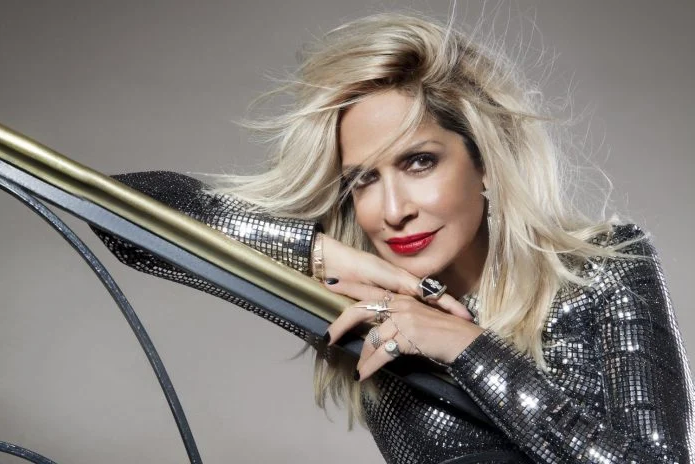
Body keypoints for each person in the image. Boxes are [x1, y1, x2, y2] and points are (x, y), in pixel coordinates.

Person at [92, 12, 694, 464]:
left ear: (485, 163)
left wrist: (469, 349)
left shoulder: (602, 271)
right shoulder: (359, 309)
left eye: (419, 162)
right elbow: (116, 213)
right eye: (364, 180)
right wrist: (313, 254)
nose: (393, 211)